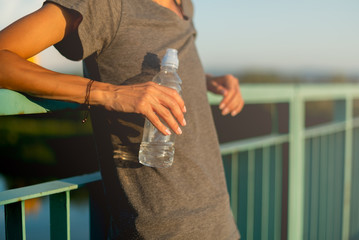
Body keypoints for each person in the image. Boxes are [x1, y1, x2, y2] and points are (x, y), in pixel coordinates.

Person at [0, 0, 244, 239]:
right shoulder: (105, 5)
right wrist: (108, 93)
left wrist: (206, 80)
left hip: (220, 219)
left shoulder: (184, 5)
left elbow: (161, 63)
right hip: (162, 230)